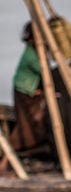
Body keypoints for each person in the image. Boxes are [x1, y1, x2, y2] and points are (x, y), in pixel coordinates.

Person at [1, 22, 48, 172]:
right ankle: (4, 163)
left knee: (33, 124)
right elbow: (44, 72)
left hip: (30, 92)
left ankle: (7, 163)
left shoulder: (35, 51)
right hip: (25, 92)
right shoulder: (31, 55)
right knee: (25, 126)